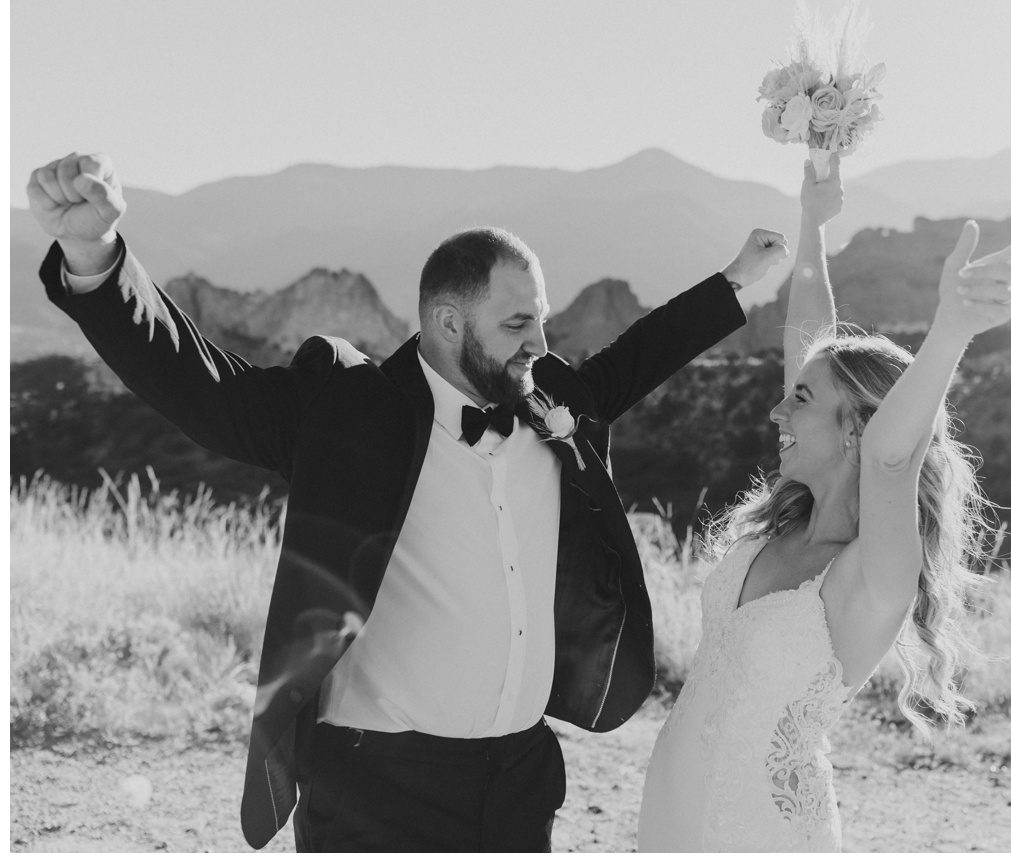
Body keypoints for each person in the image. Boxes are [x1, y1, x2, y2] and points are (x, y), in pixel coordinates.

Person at [28, 151, 788, 851]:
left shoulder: (551, 399)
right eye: (516, 322)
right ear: (448, 322)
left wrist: (736, 280)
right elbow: (205, 387)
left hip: (520, 781)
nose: (539, 341)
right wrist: (97, 260)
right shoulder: (349, 408)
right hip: (375, 788)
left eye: (542, 318)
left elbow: (638, 356)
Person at [637, 158, 1011, 849]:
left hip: (761, 836)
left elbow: (891, 458)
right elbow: (810, 340)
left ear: (856, 430)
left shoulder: (873, 572)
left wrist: (951, 329)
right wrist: (813, 221)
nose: (777, 410)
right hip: (671, 819)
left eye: (798, 400)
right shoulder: (788, 521)